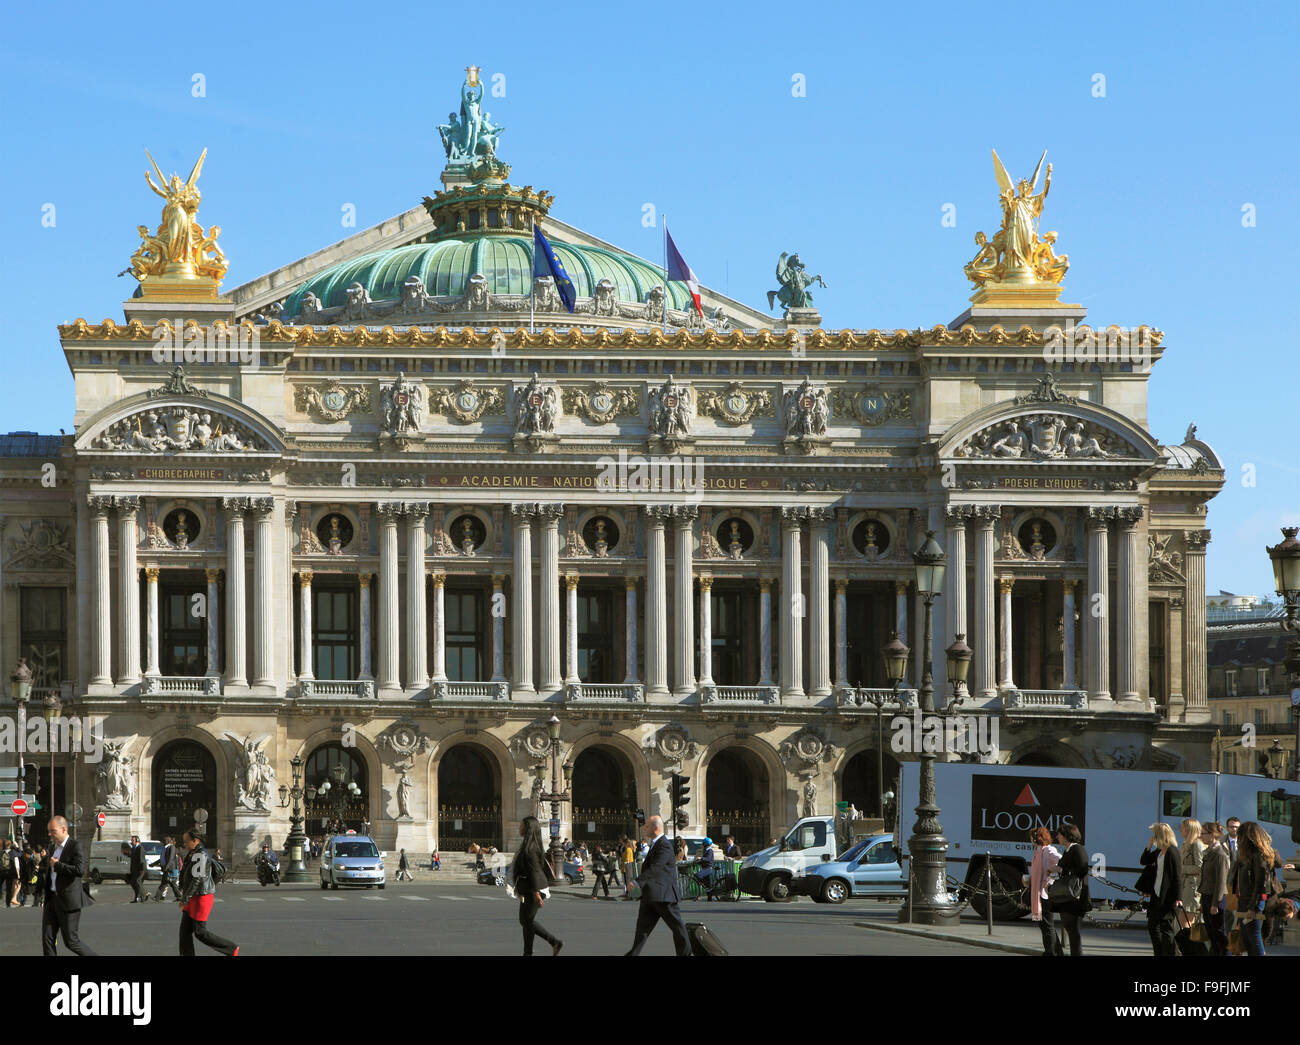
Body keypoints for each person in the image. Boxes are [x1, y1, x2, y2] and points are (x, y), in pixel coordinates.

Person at [624, 815, 692, 956]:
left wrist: (637, 882)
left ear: (655, 828)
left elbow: (656, 868)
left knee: (677, 928)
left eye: (647, 826)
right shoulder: (656, 843)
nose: (644, 828)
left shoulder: (664, 845)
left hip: (663, 895)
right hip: (651, 895)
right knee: (642, 929)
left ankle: (685, 954)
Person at [41, 815, 97, 956]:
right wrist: (46, 899)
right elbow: (50, 876)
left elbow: (79, 870)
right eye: (49, 831)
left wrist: (58, 865)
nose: (50, 834)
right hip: (52, 900)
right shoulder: (53, 847)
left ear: (64, 829)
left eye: (53, 831)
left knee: (71, 941)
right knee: (47, 938)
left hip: (69, 900)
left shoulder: (74, 846)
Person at [178, 829, 238, 956]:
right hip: (192, 895)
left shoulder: (200, 854)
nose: (184, 844)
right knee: (184, 932)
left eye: (186, 841)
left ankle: (231, 948)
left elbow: (197, 878)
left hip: (201, 896)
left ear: (195, 840)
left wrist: (186, 897)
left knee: (200, 932)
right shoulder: (192, 853)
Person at [510, 816, 562, 956]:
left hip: (534, 889)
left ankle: (554, 942)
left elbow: (534, 872)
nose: (519, 828)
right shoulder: (529, 846)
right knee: (526, 921)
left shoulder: (530, 849)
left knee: (526, 921)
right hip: (530, 888)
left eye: (521, 826)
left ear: (528, 829)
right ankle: (530, 952)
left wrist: (536, 894)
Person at [1140, 822, 1183, 956]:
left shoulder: (1172, 852)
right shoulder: (1160, 852)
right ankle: (1159, 952)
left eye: (1155, 835)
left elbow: (1177, 877)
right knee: (1153, 926)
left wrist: (1178, 898)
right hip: (1157, 895)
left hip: (1167, 896)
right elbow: (1144, 860)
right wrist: (1148, 846)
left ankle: (1169, 953)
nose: (1153, 838)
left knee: (1166, 929)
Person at [1235, 821, 1276, 956]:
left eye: (1240, 836)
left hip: (1253, 901)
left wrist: (1254, 907)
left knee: (1254, 938)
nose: (1237, 840)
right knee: (1248, 939)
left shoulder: (1258, 856)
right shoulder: (1246, 856)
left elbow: (1260, 885)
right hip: (1245, 900)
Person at [1052, 824, 1090, 957]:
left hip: (1075, 896)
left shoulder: (1078, 849)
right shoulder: (1068, 850)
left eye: (1060, 834)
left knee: (1073, 931)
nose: (1057, 837)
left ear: (1067, 835)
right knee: (1069, 928)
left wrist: (1062, 870)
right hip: (1067, 896)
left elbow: (1083, 870)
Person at [1028, 826, 1062, 956]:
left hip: (1045, 892)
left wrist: (1051, 874)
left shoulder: (1047, 850)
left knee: (1047, 926)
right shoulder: (1038, 851)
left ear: (1037, 838)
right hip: (1040, 891)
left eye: (1032, 837)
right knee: (1046, 926)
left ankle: (1050, 952)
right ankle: (1056, 952)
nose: (1031, 839)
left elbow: (1060, 860)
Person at [1199, 822, 1230, 957]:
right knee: (1211, 932)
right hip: (1206, 895)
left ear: (1212, 835)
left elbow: (1220, 881)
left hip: (1215, 897)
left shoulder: (1220, 854)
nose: (1201, 836)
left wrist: (1215, 903)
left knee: (1218, 933)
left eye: (1203, 833)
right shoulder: (1209, 851)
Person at [1179, 818, 1206, 917]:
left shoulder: (1197, 844)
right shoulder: (1185, 844)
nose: (1180, 830)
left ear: (1189, 829)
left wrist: (1181, 869)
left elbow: (1200, 867)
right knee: (1182, 916)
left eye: (1182, 828)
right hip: (1184, 885)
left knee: (1188, 916)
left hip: (1192, 887)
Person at [154, 836, 182, 901]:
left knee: (171, 883)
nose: (163, 841)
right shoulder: (164, 848)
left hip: (171, 869)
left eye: (164, 840)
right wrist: (153, 864)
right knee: (165, 883)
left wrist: (166, 867)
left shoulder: (172, 847)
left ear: (168, 841)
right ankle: (157, 897)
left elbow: (171, 858)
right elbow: (161, 859)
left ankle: (180, 896)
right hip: (167, 868)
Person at [127, 835, 147, 903]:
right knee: (133, 882)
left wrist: (141, 869)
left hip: (141, 869)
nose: (131, 841)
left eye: (132, 840)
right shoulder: (133, 848)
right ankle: (137, 898)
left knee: (138, 881)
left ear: (137, 841)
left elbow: (142, 860)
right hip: (135, 869)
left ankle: (144, 894)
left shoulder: (140, 848)